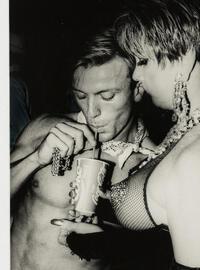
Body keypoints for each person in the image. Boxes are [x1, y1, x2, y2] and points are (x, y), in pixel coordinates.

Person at [57, 1, 200, 269]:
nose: (136, 74)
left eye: (143, 61)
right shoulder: (190, 127)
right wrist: (102, 242)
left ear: (185, 57)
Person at [10, 28, 157, 270]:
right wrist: (34, 159)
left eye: (106, 96)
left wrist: (111, 242)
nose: (91, 112)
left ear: (137, 89)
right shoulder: (48, 128)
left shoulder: (147, 165)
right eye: (81, 96)